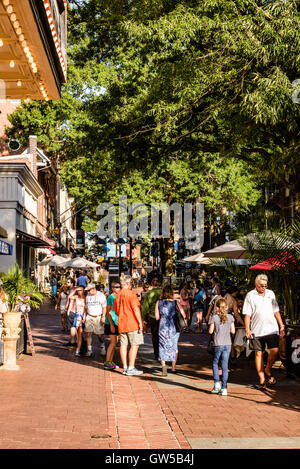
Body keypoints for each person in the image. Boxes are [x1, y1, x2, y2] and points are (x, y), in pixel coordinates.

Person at [243, 274, 285, 389]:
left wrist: (281, 325)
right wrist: (247, 329)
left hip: (272, 329)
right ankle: (262, 379)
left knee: (275, 351)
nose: (264, 288)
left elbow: (276, 311)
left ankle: (268, 368)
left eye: (265, 286)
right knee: (258, 353)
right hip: (257, 330)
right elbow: (247, 314)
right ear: (256, 284)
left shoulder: (271, 294)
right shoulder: (250, 295)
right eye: (261, 286)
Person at [114, 275, 144, 376]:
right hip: (132, 323)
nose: (131, 285)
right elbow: (136, 309)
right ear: (127, 283)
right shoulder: (131, 294)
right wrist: (140, 322)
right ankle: (131, 367)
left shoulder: (117, 295)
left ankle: (125, 367)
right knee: (134, 345)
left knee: (123, 345)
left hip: (122, 323)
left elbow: (116, 311)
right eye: (131, 283)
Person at [155, 285, 186, 376]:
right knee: (174, 346)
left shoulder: (158, 302)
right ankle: (173, 368)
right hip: (173, 326)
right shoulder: (176, 303)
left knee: (162, 346)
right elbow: (183, 314)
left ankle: (164, 368)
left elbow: (157, 317)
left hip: (163, 326)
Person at [209, 298, 235, 396]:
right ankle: (224, 388)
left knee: (215, 363)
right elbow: (233, 331)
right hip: (227, 344)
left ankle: (216, 384)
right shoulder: (230, 317)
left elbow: (210, 331)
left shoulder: (214, 317)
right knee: (225, 366)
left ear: (218, 308)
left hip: (218, 343)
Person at [141, 278, 162, 360]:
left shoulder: (149, 293)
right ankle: (164, 352)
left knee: (155, 335)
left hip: (153, 316)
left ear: (152, 285)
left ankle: (157, 354)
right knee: (163, 335)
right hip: (163, 316)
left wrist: (142, 318)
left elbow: (145, 307)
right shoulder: (162, 292)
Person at [84, 283, 107, 357]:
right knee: (88, 333)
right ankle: (89, 350)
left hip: (98, 317)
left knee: (99, 335)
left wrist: (103, 316)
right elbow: (86, 307)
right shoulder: (88, 296)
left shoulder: (101, 296)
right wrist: (85, 316)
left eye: (89, 290)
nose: (88, 292)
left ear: (93, 289)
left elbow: (104, 307)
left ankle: (102, 346)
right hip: (89, 317)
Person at [104, 281, 121, 370]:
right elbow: (108, 311)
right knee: (113, 342)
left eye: (119, 286)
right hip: (111, 323)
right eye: (116, 287)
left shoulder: (119, 296)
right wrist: (111, 324)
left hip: (116, 322)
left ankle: (110, 361)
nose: (118, 288)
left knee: (115, 343)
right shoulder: (111, 297)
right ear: (113, 288)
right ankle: (107, 362)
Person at [67, 286, 86, 357]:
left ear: (83, 291)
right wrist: (75, 289)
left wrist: (84, 316)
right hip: (77, 316)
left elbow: (86, 308)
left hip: (82, 316)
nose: (79, 292)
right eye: (78, 291)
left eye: (80, 290)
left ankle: (80, 348)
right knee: (78, 333)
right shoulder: (76, 297)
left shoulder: (86, 298)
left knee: (80, 333)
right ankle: (78, 350)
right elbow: (69, 297)